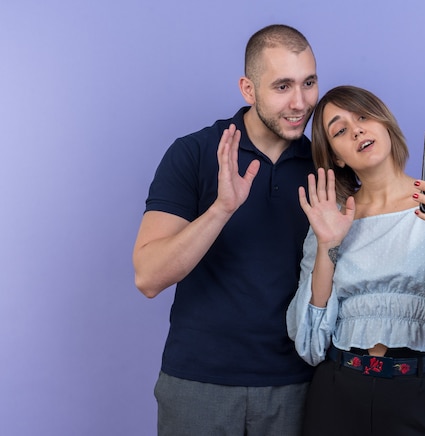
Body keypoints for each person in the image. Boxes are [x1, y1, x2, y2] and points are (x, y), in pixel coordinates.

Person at [132, 24, 319, 435]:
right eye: (283, 86)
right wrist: (221, 209)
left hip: (298, 385)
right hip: (198, 384)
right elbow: (148, 276)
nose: (300, 102)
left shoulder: (325, 165)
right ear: (247, 90)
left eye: (309, 82)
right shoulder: (196, 152)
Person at [286, 85, 425, 435]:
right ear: (336, 157)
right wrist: (328, 245)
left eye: (363, 116)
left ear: (385, 124)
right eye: (339, 130)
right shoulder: (331, 216)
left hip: (417, 393)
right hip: (338, 392)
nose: (356, 130)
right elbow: (311, 341)